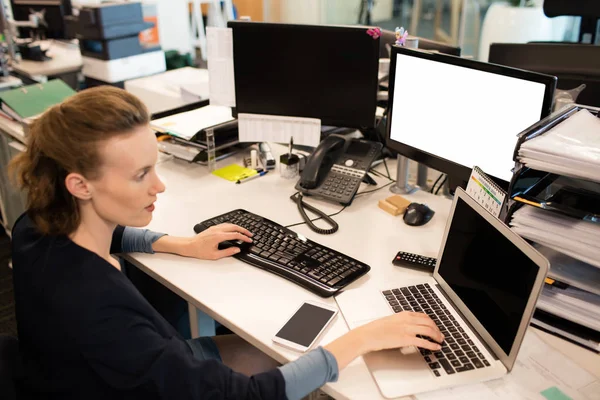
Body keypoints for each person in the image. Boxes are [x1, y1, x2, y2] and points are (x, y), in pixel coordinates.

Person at [9, 86, 443, 400]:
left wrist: (181, 244)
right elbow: (248, 396)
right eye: (140, 175)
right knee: (332, 376)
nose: (159, 186)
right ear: (80, 184)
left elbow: (117, 231)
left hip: (96, 373)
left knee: (285, 352)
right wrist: (361, 339)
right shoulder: (98, 308)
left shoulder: (38, 224)